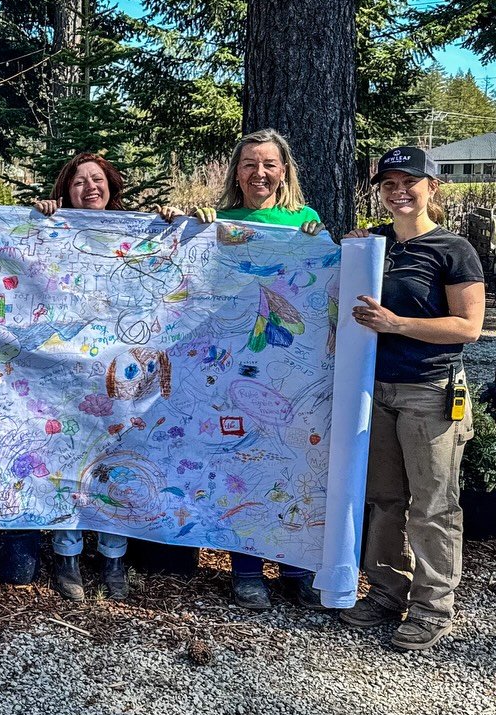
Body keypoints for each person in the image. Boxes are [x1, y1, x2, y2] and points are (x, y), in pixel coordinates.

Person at [340, 146, 483, 652]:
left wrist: (397, 325)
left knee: (433, 506)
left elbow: (468, 326)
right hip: (372, 390)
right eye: (389, 183)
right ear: (379, 191)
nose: (400, 191)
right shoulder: (373, 245)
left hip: (430, 391)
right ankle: (384, 592)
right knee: (384, 500)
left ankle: (432, 607)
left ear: (432, 188)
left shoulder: (453, 249)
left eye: (410, 182)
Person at [32, 152, 181, 602]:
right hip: (72, 380)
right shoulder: (53, 231)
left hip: (126, 380)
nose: (90, 188)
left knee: (122, 462)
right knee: (71, 461)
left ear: (112, 186)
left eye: (98, 179)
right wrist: (40, 217)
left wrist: (174, 222)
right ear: (66, 189)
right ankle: (67, 555)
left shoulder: (138, 234)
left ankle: (114, 556)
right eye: (79, 182)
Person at [195, 129, 324, 611]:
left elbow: (316, 289)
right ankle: (246, 570)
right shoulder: (219, 220)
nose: (259, 174)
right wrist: (189, 225)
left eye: (268, 164)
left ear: (284, 170)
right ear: (237, 172)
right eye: (249, 165)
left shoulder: (304, 221)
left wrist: (324, 241)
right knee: (239, 462)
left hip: (290, 365)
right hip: (233, 363)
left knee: (294, 457)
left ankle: (295, 566)